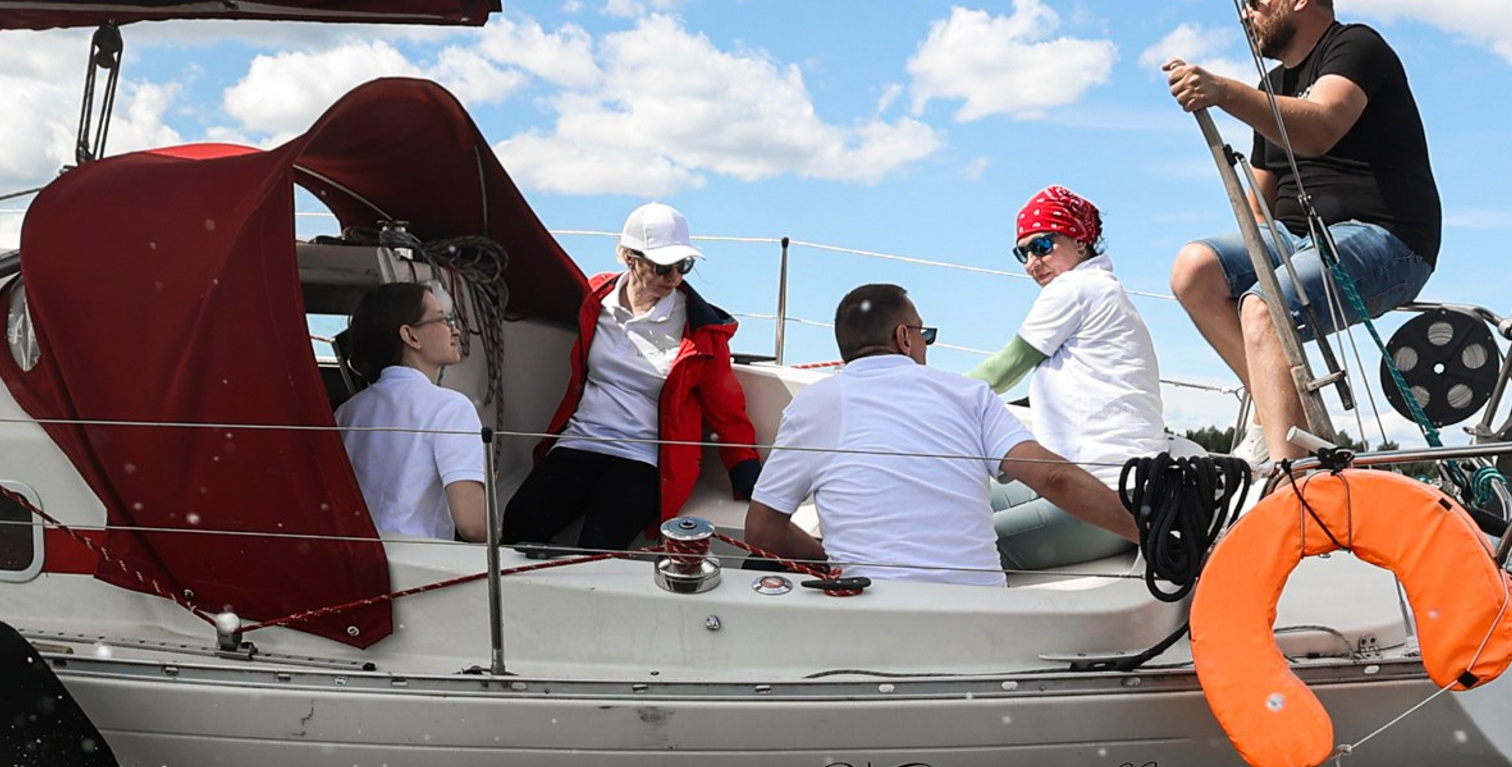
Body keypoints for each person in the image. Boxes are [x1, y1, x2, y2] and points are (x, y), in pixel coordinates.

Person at [1162, 0, 1442, 458]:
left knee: (1264, 309)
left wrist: (1223, 92)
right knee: (1193, 269)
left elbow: (1322, 129)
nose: (1247, 14)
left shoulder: (1357, 47)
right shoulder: (1272, 87)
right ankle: (1284, 419)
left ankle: (1294, 476)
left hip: (1387, 237)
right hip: (1295, 237)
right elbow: (1260, 201)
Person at [745, 284, 1137, 590]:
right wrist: (1147, 534)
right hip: (977, 607)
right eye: (924, 335)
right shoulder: (968, 394)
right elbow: (1053, 478)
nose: (924, 345)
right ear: (904, 337)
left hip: (868, 609)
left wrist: (828, 560)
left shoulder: (813, 404)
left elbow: (763, 532)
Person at [500, 201, 758, 550]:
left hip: (644, 458)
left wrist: (747, 474)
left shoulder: (702, 329)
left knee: (599, 545)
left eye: (685, 265)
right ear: (628, 257)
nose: (676, 277)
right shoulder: (595, 297)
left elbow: (726, 408)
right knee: (520, 522)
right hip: (580, 440)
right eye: (664, 266)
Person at [969, 184, 1171, 571]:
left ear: (1080, 243)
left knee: (963, 545)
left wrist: (922, 394)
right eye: (1022, 252)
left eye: (1042, 245)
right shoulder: (1101, 288)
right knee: (954, 501)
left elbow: (1005, 368)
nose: (1031, 261)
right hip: (1119, 483)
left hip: (1106, 493)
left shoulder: (1075, 287)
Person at [332, 281, 487, 542]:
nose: (456, 330)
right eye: (442, 319)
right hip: (419, 569)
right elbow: (473, 526)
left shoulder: (346, 413)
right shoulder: (451, 407)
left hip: (357, 559)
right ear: (410, 336)